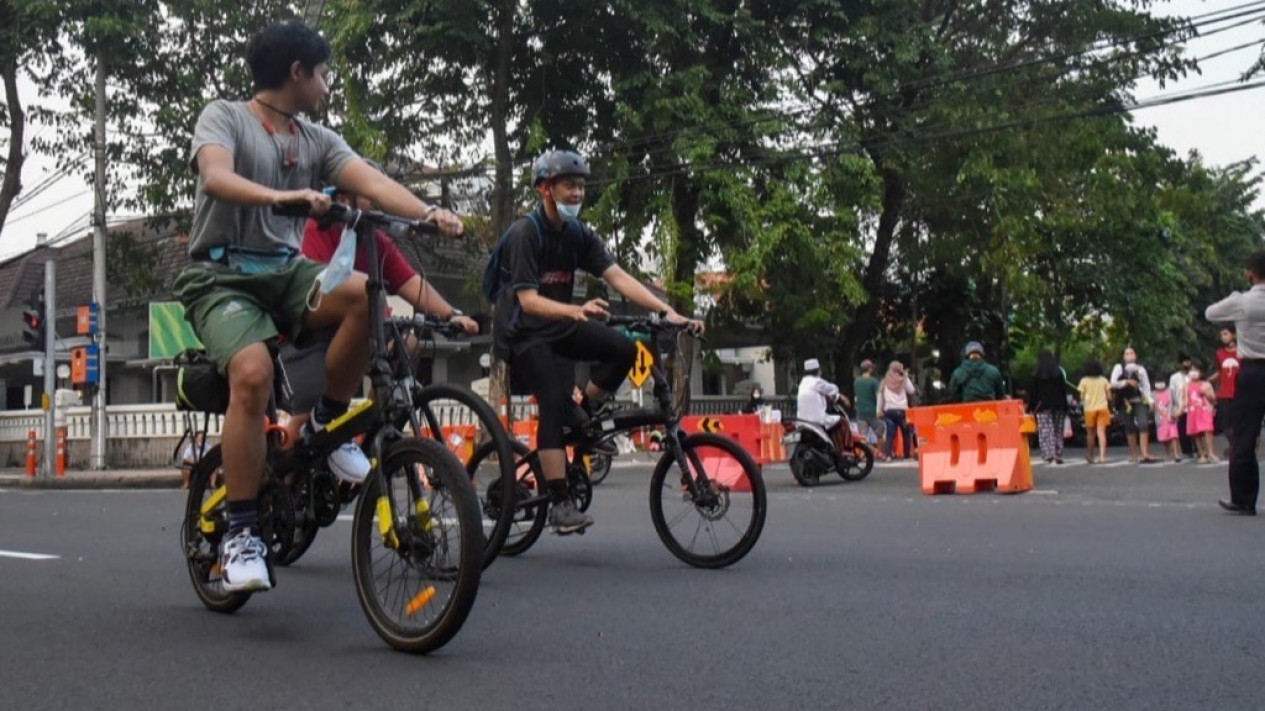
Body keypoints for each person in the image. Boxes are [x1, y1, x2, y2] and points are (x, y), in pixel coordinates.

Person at [172, 21, 464, 592]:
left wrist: (428, 212)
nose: (328, 88)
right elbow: (215, 176)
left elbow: (373, 183)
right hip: (222, 276)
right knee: (252, 374)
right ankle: (241, 533)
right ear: (297, 72)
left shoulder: (317, 140)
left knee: (364, 295)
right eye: (324, 75)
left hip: (285, 272)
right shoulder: (224, 117)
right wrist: (285, 196)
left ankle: (326, 426)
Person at [489, 149, 704, 534]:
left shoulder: (578, 234)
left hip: (559, 324)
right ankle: (559, 503)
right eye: (569, 185)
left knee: (622, 349)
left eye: (581, 186)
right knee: (553, 401)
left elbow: (617, 276)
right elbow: (527, 300)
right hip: (524, 332)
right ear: (545, 189)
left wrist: (667, 311)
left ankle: (584, 412)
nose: (577, 193)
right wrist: (575, 311)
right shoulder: (527, 232)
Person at [302, 160, 480, 334]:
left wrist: (450, 315)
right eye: (368, 193)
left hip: (360, 330)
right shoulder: (317, 229)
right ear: (343, 199)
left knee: (409, 344)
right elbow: (316, 292)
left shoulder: (374, 239)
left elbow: (409, 281)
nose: (376, 200)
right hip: (315, 335)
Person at [1205, 251, 1265, 515]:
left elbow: (1210, 313)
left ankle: (1244, 499)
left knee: (1244, 436)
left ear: (1250, 273)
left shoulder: (1242, 302)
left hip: (1252, 372)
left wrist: (1232, 298)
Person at [1109, 347, 1157, 464]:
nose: (1129, 355)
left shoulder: (1141, 369)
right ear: (1123, 356)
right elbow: (1113, 383)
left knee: (1143, 424)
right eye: (1127, 353)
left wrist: (1150, 400)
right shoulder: (1119, 368)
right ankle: (1133, 454)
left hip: (1139, 399)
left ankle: (1145, 453)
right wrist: (1127, 382)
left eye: (1131, 353)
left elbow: (1146, 385)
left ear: (1135, 355)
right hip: (1125, 401)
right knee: (1129, 427)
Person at [1027, 350, 1073, 465]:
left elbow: (1033, 393)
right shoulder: (1058, 373)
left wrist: (1030, 408)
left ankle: (1049, 454)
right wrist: (1066, 407)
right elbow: (1063, 391)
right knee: (1057, 430)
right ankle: (1058, 453)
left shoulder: (1036, 374)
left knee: (1046, 431)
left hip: (1043, 406)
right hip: (1059, 406)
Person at [796, 358, 852, 452]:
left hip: (802, 420)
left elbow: (820, 395)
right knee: (842, 421)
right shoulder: (817, 382)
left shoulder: (803, 383)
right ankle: (844, 449)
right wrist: (840, 396)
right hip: (817, 419)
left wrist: (835, 397)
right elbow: (832, 389)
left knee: (833, 424)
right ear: (817, 371)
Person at [1208, 326, 1239, 459]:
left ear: (1234, 335)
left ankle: (1238, 447)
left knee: (1239, 423)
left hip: (1239, 392)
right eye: (1221, 335)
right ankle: (1235, 445)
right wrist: (1209, 381)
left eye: (1226, 334)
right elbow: (1220, 371)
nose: (1223, 337)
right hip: (1223, 393)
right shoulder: (1219, 353)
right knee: (1224, 424)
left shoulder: (1242, 352)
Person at [877, 360, 917, 459]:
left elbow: (880, 396)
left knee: (890, 434)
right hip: (903, 411)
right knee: (906, 433)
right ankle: (907, 455)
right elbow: (912, 391)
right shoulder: (903, 379)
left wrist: (878, 410)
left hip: (889, 411)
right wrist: (906, 376)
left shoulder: (884, 381)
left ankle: (888, 455)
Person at [1078, 360, 1112, 464]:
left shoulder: (1084, 381)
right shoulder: (1104, 380)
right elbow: (1109, 396)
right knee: (1101, 433)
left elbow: (1082, 397)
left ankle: (1091, 456)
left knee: (1090, 434)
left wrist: (1086, 396)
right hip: (1102, 408)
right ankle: (1102, 457)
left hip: (1089, 410)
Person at [852, 359, 888, 460]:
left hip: (860, 412)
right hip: (873, 411)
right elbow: (878, 397)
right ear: (870, 369)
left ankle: (863, 454)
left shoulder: (856, 381)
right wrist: (881, 409)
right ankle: (880, 453)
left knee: (862, 436)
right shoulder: (874, 381)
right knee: (879, 433)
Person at [1186, 366, 1218, 464]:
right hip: (1193, 411)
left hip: (1205, 410)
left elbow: (1213, 399)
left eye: (1196, 370)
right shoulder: (1187, 385)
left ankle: (1211, 453)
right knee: (1197, 433)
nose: (1193, 372)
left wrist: (1207, 394)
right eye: (1191, 370)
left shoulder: (1206, 384)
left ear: (1201, 372)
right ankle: (1202, 453)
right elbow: (1185, 399)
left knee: (1208, 430)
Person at [1168, 354, 1195, 458]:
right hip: (1180, 408)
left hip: (1194, 407)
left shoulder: (1193, 375)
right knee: (1182, 431)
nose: (1187, 364)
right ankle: (1187, 451)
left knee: (1195, 430)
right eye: (1184, 362)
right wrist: (1172, 410)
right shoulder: (1174, 378)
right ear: (1180, 364)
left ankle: (1198, 449)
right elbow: (1172, 394)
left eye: (1188, 361)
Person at [1152, 381, 1181, 463]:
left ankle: (1176, 454)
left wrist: (1176, 413)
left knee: (1173, 436)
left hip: (1171, 417)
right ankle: (1168, 454)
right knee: (1164, 438)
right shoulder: (1153, 394)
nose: (1160, 384)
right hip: (1160, 419)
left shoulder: (1170, 391)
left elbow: (1175, 403)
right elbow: (1152, 407)